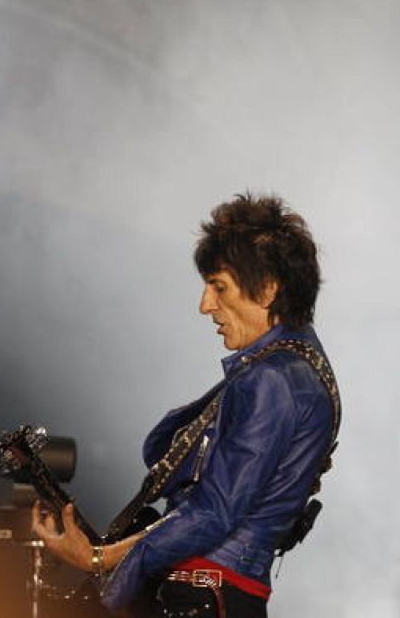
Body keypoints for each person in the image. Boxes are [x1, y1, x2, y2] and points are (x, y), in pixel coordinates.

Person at [33, 193, 340, 618]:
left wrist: (97, 562)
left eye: (219, 287)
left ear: (268, 289)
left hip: (205, 595)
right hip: (219, 594)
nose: (205, 305)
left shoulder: (272, 380)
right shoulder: (296, 369)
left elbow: (214, 512)